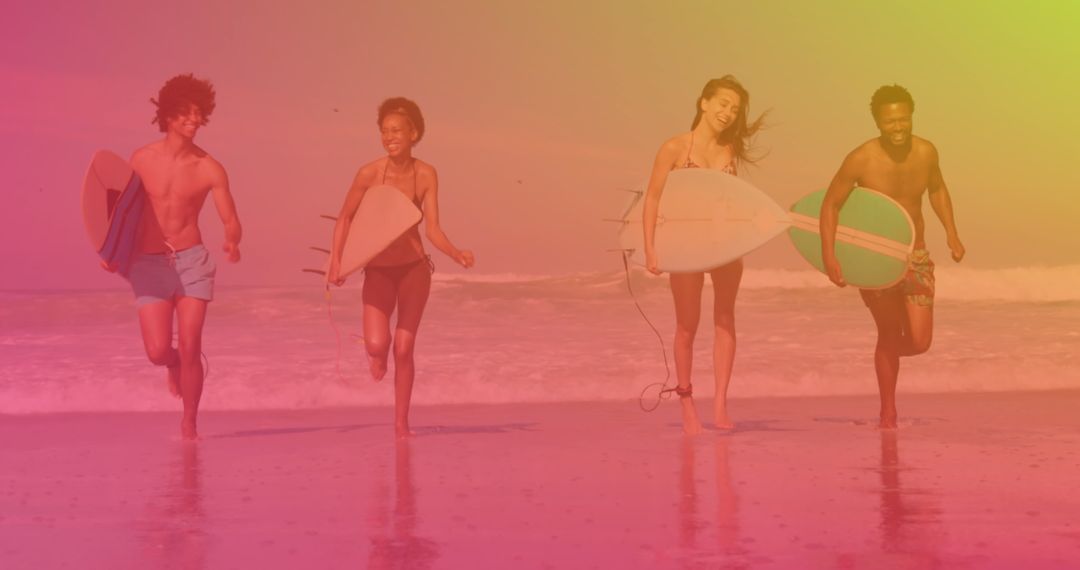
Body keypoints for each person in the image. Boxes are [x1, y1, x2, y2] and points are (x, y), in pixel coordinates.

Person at [103, 73, 242, 440]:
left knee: (193, 345)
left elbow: (230, 218)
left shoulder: (209, 168)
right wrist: (110, 251)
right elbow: (120, 214)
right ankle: (172, 363)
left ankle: (189, 424)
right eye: (185, 112)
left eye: (199, 113)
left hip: (192, 260)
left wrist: (232, 241)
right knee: (157, 350)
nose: (194, 119)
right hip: (148, 263)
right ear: (167, 114)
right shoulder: (141, 159)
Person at [327, 97, 475, 438]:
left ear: (413, 133)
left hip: (414, 269)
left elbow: (432, 229)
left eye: (396, 130)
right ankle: (376, 355)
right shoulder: (368, 173)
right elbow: (345, 217)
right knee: (377, 345)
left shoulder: (426, 174)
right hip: (378, 270)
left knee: (404, 348)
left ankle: (401, 424)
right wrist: (337, 260)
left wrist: (456, 253)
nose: (389, 137)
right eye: (384, 131)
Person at [820, 84, 965, 429]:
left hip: (915, 256)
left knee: (920, 340)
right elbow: (830, 205)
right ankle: (888, 412)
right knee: (887, 332)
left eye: (903, 119)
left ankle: (883, 356)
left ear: (911, 116)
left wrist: (952, 233)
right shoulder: (861, 159)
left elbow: (937, 189)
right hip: (877, 261)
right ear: (877, 122)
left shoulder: (926, 152)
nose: (898, 127)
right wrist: (829, 255)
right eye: (890, 121)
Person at [642, 76, 766, 435]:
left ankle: (721, 403)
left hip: (725, 246)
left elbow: (732, 200)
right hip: (686, 247)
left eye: (735, 109)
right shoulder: (674, 148)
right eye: (723, 104)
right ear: (704, 103)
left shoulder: (730, 150)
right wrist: (650, 248)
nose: (728, 113)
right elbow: (653, 198)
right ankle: (686, 402)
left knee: (725, 319)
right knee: (687, 325)